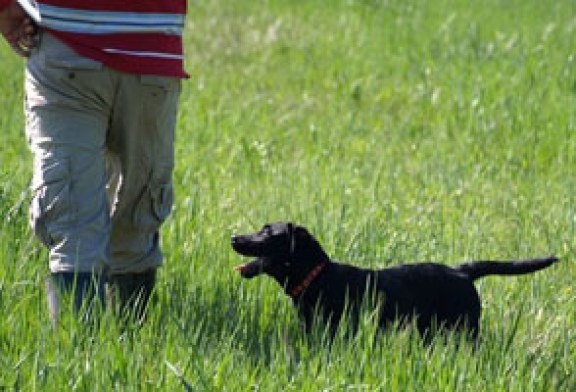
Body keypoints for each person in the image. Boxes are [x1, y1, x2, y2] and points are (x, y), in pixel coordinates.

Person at [0, 0, 188, 326]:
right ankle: (115, 349)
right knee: (136, 208)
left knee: (74, 209)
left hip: (70, 45)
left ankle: (96, 351)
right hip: (149, 47)